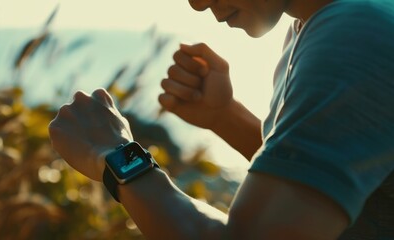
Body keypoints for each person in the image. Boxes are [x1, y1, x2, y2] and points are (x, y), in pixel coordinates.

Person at [48, 0, 394, 239]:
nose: (197, 4)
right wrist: (226, 118)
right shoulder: (321, 25)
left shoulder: (354, 36)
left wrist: (115, 156)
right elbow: (328, 191)